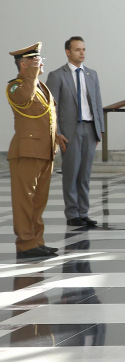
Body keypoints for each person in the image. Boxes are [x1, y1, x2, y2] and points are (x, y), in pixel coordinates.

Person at [6, 42, 59, 260]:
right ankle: (25, 243)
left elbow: (48, 116)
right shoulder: (16, 86)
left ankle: (37, 240)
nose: (41, 63)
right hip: (26, 151)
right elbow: (25, 100)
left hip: (45, 150)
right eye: (36, 61)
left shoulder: (40, 86)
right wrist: (31, 74)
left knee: (38, 201)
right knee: (24, 200)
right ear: (24, 64)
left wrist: (58, 137)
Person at [45, 36, 104, 227]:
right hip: (70, 130)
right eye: (78, 49)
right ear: (68, 52)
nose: (82, 53)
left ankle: (83, 212)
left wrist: (99, 130)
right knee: (71, 172)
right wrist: (57, 132)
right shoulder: (57, 75)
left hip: (89, 127)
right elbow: (51, 107)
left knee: (85, 173)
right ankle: (72, 213)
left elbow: (97, 103)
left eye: (84, 49)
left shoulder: (91, 74)